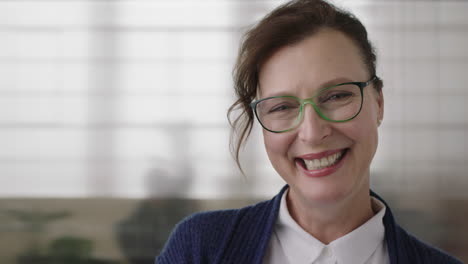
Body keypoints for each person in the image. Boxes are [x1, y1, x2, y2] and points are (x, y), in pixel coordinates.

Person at [156, 0, 463, 263]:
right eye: (281, 107)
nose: (312, 133)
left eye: (337, 96)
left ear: (378, 103)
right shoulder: (199, 249)